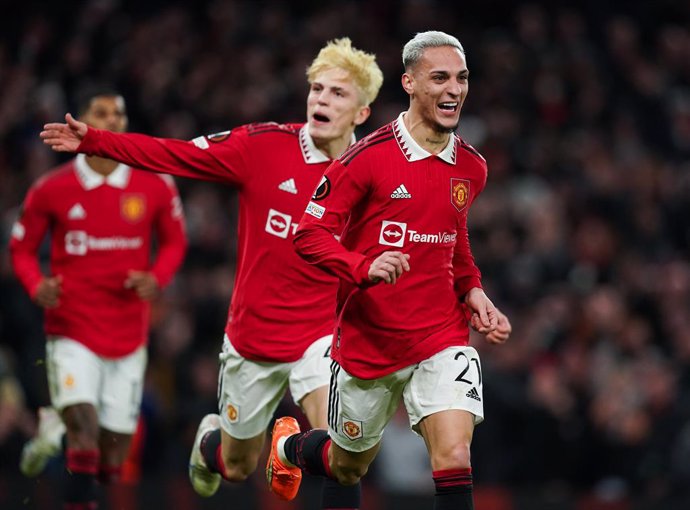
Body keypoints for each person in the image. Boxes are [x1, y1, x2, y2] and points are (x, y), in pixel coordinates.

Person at [40, 38, 383, 509]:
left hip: (323, 337)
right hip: (254, 338)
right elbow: (174, 154)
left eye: (337, 94)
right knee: (238, 466)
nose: (321, 100)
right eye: (317, 89)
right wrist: (96, 141)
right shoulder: (261, 147)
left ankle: (289, 449)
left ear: (362, 112)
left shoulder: (371, 174)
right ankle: (210, 443)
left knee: (341, 447)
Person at [266, 31, 512, 510]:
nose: (454, 90)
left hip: (442, 333)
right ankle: (290, 448)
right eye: (439, 78)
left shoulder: (472, 167)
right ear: (410, 83)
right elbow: (307, 234)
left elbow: (452, 240)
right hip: (371, 339)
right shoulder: (368, 159)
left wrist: (473, 289)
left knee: (455, 454)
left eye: (461, 78)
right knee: (347, 465)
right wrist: (362, 266)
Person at [11, 89, 187, 510]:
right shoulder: (52, 188)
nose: (112, 119)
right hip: (71, 329)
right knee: (86, 432)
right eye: (101, 112)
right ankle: (68, 433)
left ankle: (52, 431)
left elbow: (175, 242)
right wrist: (37, 285)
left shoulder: (155, 184)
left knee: (112, 460)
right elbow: (20, 249)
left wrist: (157, 278)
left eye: (119, 113)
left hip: (128, 333)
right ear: (82, 119)